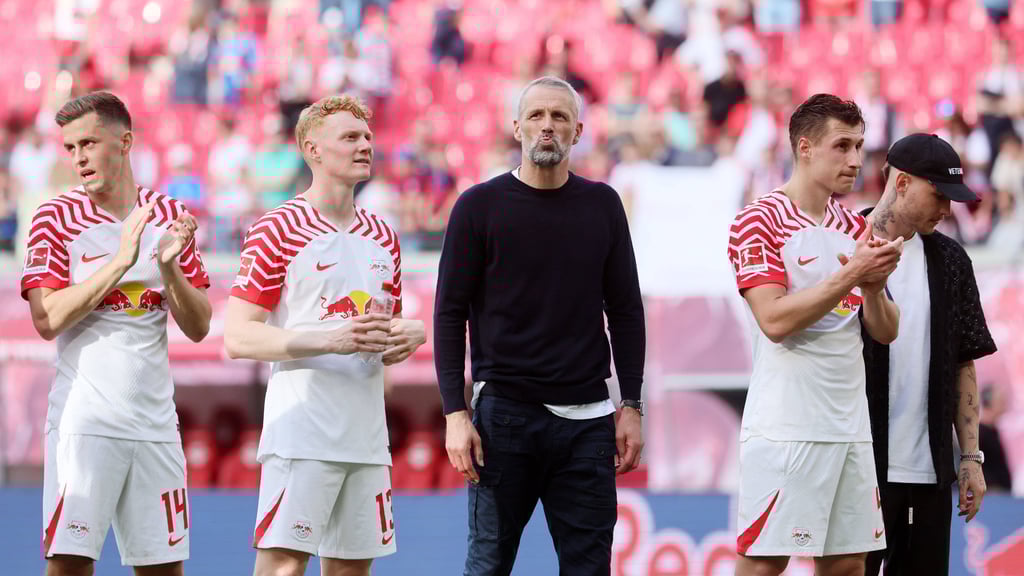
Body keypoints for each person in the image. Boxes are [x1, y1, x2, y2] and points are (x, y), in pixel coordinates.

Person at [435, 76, 647, 576]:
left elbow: (625, 310)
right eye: (536, 116)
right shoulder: (477, 206)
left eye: (559, 117)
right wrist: (454, 413)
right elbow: (449, 314)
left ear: (578, 130)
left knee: (589, 570)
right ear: (516, 128)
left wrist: (632, 404)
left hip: (588, 423)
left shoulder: (603, 205)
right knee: (487, 566)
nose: (547, 126)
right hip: (503, 418)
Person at [224, 95, 426, 576]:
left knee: (352, 571)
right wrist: (329, 340)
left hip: (367, 437)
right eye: (350, 138)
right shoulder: (278, 228)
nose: (365, 146)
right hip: (302, 433)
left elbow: (376, 335)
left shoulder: (383, 235)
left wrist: (408, 334)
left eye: (368, 137)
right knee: (283, 568)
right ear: (313, 149)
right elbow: (238, 337)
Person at [21, 91, 211, 576]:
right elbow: (46, 320)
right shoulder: (55, 218)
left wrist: (167, 268)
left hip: (155, 429)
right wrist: (122, 262)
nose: (79, 158)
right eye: (70, 148)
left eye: (89, 143)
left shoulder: (169, 215)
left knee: (164, 570)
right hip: (83, 426)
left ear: (124, 143)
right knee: (69, 567)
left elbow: (199, 325)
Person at [726, 93, 903, 576]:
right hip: (786, 425)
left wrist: (872, 287)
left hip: (849, 425)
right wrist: (851, 276)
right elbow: (776, 321)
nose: (855, 160)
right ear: (805, 148)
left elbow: (885, 330)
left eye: (860, 146)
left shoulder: (854, 227)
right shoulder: (758, 219)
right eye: (841, 146)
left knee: (849, 564)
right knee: (766, 564)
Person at [861, 133, 999, 576]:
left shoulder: (952, 259)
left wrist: (970, 458)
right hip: (856, 468)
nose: (946, 210)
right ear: (901, 183)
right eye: (939, 195)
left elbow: (964, 360)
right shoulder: (843, 242)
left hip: (930, 474)